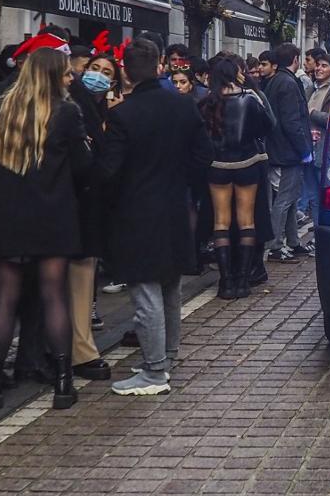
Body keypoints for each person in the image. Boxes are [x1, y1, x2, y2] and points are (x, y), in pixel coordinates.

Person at [0, 47, 92, 411]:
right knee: (54, 295)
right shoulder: (66, 112)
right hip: (52, 215)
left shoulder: (0, 107)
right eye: (67, 73)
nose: (72, 78)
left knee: (4, 298)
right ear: (54, 76)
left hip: (4, 216)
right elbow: (84, 167)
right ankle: (64, 383)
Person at [97, 39, 211, 396]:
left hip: (137, 213)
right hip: (176, 206)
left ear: (126, 70)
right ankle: (167, 356)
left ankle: (154, 371)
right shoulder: (183, 107)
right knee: (170, 287)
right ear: (160, 65)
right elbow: (203, 155)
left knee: (145, 292)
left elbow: (108, 173)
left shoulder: (122, 115)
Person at [200, 56, 274, 299]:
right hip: (247, 163)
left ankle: (225, 282)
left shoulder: (207, 102)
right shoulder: (249, 99)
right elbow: (266, 126)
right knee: (246, 220)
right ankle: (243, 281)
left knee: (221, 222)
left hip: (217, 165)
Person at [67, 53, 120, 381]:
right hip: (79, 206)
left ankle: (76, 346)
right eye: (94, 69)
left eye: (106, 72)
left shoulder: (101, 110)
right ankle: (80, 350)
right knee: (79, 280)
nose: (98, 76)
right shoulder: (77, 107)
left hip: (89, 206)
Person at [263, 43, 313, 263]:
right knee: (284, 200)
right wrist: (304, 150)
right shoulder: (289, 83)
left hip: (277, 149)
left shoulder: (274, 81)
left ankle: (293, 241)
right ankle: (275, 246)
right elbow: (292, 121)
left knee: (290, 199)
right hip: (288, 151)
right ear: (295, 59)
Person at [305, 53, 330, 228]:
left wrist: (312, 114)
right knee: (313, 197)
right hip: (309, 150)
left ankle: (324, 232)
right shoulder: (312, 88)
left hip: (323, 151)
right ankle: (318, 234)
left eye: (324, 66)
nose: (318, 68)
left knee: (323, 196)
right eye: (318, 65)